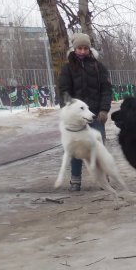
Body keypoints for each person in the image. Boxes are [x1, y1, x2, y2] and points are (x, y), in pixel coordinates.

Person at [58, 32, 113, 191]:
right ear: (74, 49)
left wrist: (104, 110)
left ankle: (104, 179)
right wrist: (69, 111)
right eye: (79, 48)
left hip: (95, 114)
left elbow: (106, 90)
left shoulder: (98, 67)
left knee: (98, 147)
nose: (82, 51)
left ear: (89, 49)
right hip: (76, 118)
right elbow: (64, 91)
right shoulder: (67, 68)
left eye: (85, 48)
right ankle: (75, 180)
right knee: (76, 149)